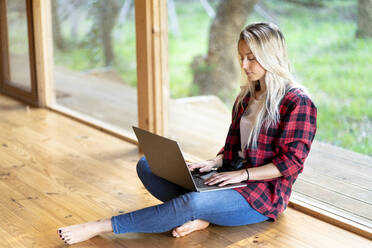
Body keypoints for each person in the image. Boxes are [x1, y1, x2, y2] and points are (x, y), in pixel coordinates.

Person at [57, 22, 317, 245]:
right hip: (230, 177)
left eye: (251, 57)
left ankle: (101, 226)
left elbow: (290, 164)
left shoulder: (297, 102)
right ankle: (205, 214)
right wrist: (215, 163)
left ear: (270, 55)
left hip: (262, 196)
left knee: (191, 202)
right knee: (147, 166)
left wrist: (242, 174)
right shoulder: (248, 95)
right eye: (241, 57)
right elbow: (235, 148)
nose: (244, 65)